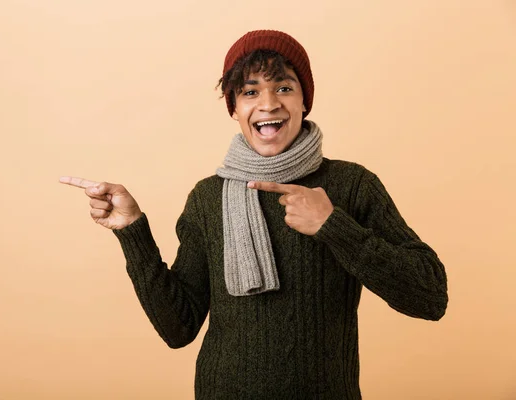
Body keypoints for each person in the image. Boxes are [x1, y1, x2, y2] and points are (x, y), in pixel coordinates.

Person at [60, 30, 448, 399]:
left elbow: (430, 297)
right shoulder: (208, 198)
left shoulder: (351, 185)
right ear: (235, 108)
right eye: (250, 91)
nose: (268, 104)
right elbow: (178, 328)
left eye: (283, 87)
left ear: (304, 100)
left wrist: (334, 226)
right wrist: (132, 231)